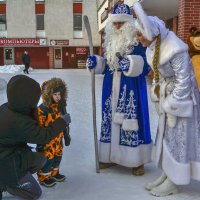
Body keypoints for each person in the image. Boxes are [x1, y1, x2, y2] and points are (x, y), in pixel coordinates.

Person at [132, 1, 200, 197]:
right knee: (165, 137)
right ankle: (166, 173)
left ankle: (175, 179)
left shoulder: (175, 48)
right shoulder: (153, 46)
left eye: (140, 33)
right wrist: (157, 92)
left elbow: (185, 80)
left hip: (183, 101)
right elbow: (158, 75)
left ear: (152, 31)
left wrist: (173, 104)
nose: (138, 38)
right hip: (167, 96)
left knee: (178, 139)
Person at [86, 3, 152, 176]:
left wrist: (131, 63)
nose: (117, 26)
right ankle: (109, 157)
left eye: (121, 23)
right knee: (109, 119)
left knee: (132, 120)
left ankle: (137, 161)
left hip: (131, 88)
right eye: (115, 23)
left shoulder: (138, 41)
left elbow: (146, 65)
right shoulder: (109, 42)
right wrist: (96, 62)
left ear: (129, 24)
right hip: (111, 87)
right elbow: (107, 63)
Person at [0, 75, 69, 199]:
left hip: (10, 153)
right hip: (6, 162)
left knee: (40, 159)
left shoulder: (7, 107)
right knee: (35, 193)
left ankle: (16, 177)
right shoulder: (18, 121)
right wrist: (61, 122)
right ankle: (7, 186)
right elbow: (43, 136)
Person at [37, 78, 71, 187]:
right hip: (47, 142)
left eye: (59, 94)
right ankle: (44, 177)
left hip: (58, 140)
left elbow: (64, 123)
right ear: (48, 95)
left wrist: (66, 135)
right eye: (55, 94)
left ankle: (54, 173)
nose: (58, 97)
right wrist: (41, 143)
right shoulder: (42, 110)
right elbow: (39, 128)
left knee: (57, 157)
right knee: (48, 160)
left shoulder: (60, 108)